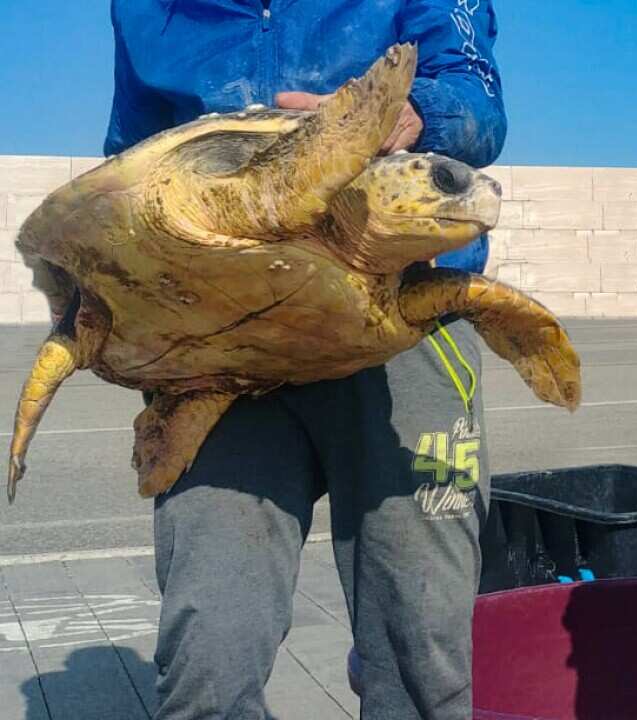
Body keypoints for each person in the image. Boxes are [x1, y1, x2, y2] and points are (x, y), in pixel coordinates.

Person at [104, 1, 505, 718]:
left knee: (420, 653)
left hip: (398, 316)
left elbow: (478, 103)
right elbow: (130, 159)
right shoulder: (144, 9)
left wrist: (410, 113)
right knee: (206, 660)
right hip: (226, 348)